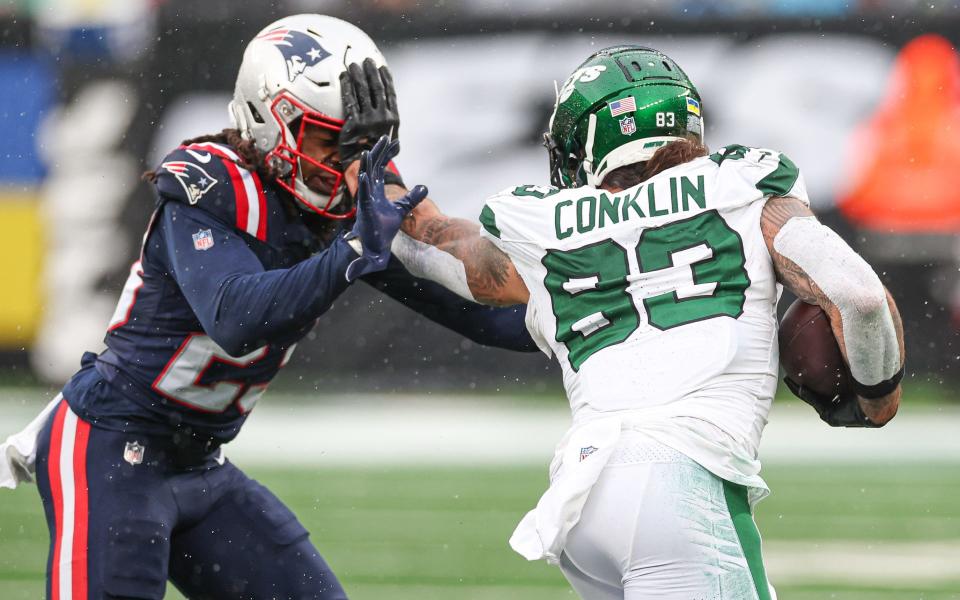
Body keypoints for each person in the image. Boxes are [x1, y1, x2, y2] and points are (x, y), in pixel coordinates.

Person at [0, 14, 536, 600]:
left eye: (358, 142)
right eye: (327, 139)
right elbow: (237, 317)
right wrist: (356, 247)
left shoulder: (349, 190)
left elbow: (479, 316)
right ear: (266, 117)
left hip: (199, 461)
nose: (343, 161)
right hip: (110, 443)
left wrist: (587, 322)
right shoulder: (210, 181)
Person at [373, 45, 905, 599]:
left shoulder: (545, 226)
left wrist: (372, 169)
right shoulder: (744, 187)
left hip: (581, 491)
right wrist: (878, 396)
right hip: (684, 480)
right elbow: (858, 294)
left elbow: (435, 245)